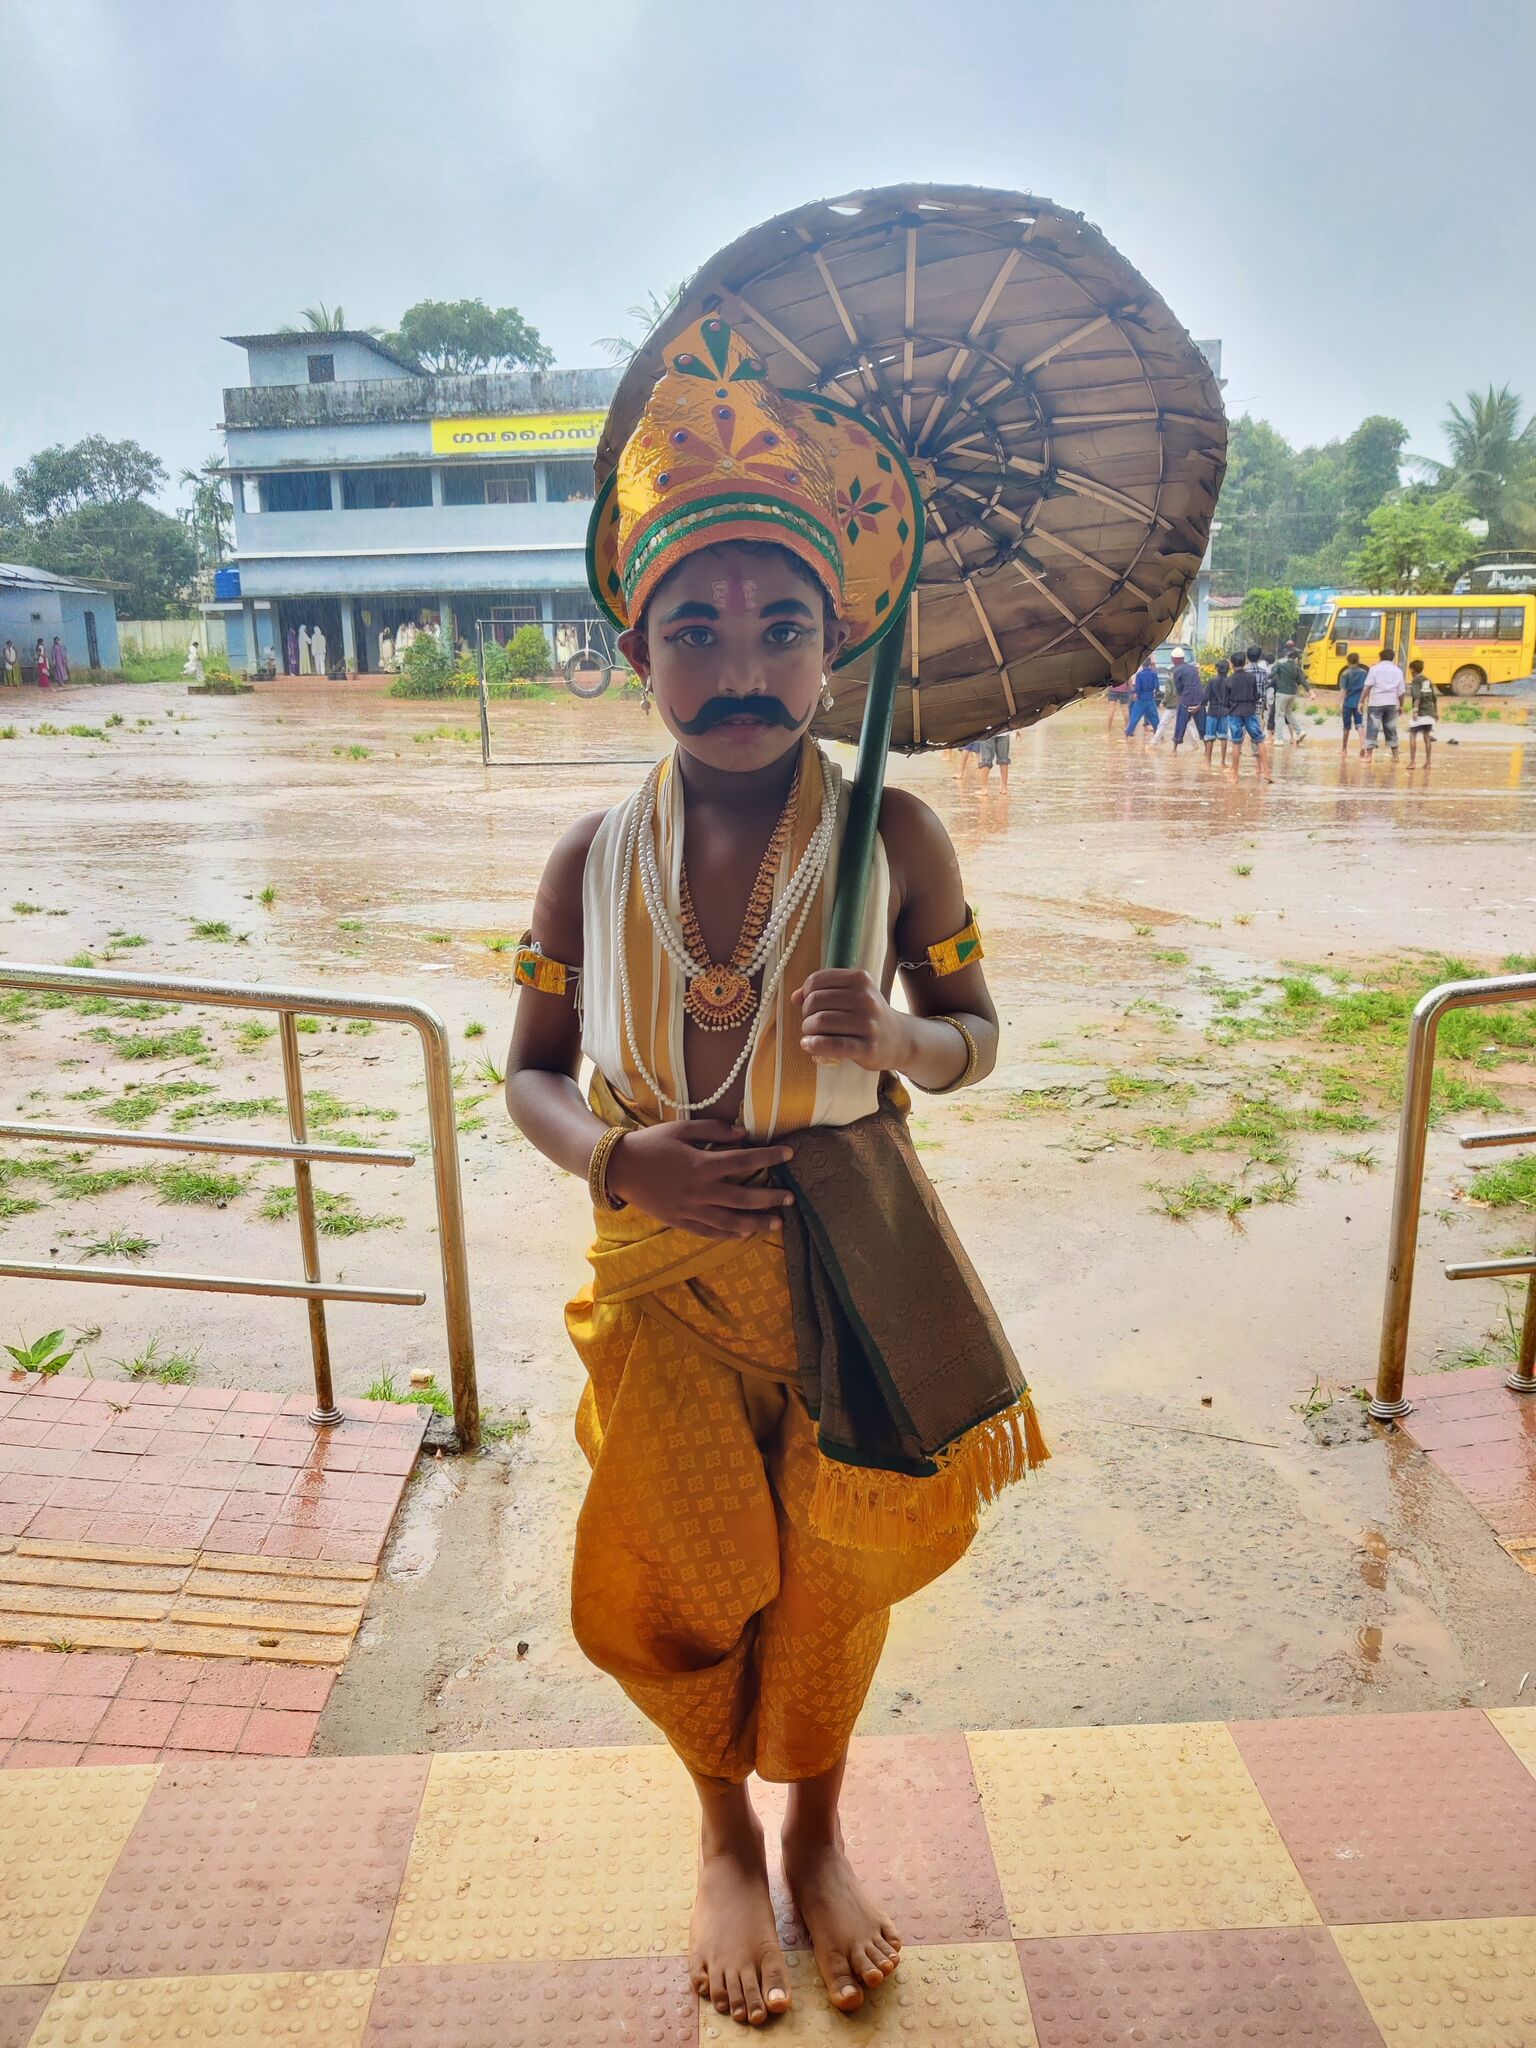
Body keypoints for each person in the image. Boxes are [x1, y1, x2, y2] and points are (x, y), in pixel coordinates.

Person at [504, 316, 1049, 2030]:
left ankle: (814, 1829)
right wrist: (622, 1160)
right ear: (636, 648)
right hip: (665, 1289)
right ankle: (720, 1829)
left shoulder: (896, 835)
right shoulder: (590, 858)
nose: (741, 665)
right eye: (696, 630)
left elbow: (978, 1035)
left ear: (839, 645)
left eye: (783, 629)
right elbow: (526, 1075)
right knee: (677, 1577)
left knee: (831, 1578)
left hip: (848, 1280)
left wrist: (897, 1039)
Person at [1225, 650, 1269, 779]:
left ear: (1232, 664)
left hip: (1235, 713)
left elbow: (1226, 700)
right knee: (1259, 740)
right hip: (1250, 711)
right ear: (1245, 663)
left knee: (1236, 742)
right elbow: (1256, 695)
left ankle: (1235, 774)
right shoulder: (1251, 678)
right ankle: (1267, 772)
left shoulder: (1229, 680)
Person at [1362, 645, 1405, 760]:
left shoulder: (1374, 669)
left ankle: (1369, 756)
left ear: (1380, 657)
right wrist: (1401, 705)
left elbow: (1367, 687)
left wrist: (1361, 701)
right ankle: (1395, 755)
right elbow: (1401, 691)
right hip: (1391, 703)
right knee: (1391, 728)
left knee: (1372, 728)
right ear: (1393, 658)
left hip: (1376, 702)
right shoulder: (1398, 671)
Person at [1269, 641, 1308, 745]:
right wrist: (1309, 691)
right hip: (1292, 693)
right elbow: (1302, 679)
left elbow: (1272, 674)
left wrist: (1266, 679)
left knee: (1279, 715)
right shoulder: (1296, 664)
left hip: (1282, 692)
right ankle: (1300, 731)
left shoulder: (1281, 662)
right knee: (1289, 713)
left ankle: (1279, 739)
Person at [1171, 650, 1205, 749]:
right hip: (1199, 700)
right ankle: (1207, 752)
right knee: (1203, 727)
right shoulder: (1193, 669)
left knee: (1180, 725)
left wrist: (1179, 700)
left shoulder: (1177, 670)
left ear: (1175, 659)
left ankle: (1174, 750)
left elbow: (1179, 688)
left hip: (1186, 700)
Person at [1407, 658, 1438, 767]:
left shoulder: (1416, 680)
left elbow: (1417, 696)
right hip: (1430, 711)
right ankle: (1428, 762)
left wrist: (1415, 710)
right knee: (1427, 736)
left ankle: (1412, 762)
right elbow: (1434, 697)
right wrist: (1436, 712)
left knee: (1412, 735)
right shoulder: (1427, 680)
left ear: (1413, 670)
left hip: (1420, 712)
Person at [1202, 657, 1232, 767]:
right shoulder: (1230, 681)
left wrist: (1201, 705)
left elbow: (1206, 697)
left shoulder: (1212, 681)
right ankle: (1223, 762)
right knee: (1224, 737)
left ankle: (1208, 762)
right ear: (1228, 669)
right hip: (1225, 712)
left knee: (1209, 737)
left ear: (1217, 669)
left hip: (1212, 712)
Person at [1338, 650, 1367, 756]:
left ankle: (1344, 749)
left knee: (1346, 727)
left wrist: (1340, 703)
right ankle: (1362, 744)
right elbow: (1366, 688)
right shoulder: (1364, 673)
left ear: (1348, 662)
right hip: (1359, 702)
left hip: (1348, 703)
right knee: (1359, 724)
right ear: (1358, 661)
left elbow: (1343, 690)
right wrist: (1364, 701)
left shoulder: (1345, 674)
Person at [1126, 652, 1160, 739]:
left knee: (1134, 717)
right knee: (1154, 718)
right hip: (1150, 699)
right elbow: (1157, 687)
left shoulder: (1139, 675)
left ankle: (1128, 735)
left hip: (1141, 699)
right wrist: (1153, 694)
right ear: (1149, 664)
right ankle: (1159, 735)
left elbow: (1138, 688)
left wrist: (1133, 693)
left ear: (1142, 664)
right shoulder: (1153, 674)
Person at [1104, 669, 1132, 733]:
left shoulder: (1113, 665)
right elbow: (1129, 678)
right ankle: (1127, 728)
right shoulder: (1125, 666)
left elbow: (1108, 677)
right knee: (1125, 708)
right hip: (1124, 688)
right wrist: (1132, 689)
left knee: (1111, 708)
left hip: (1113, 688)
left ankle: (1108, 731)